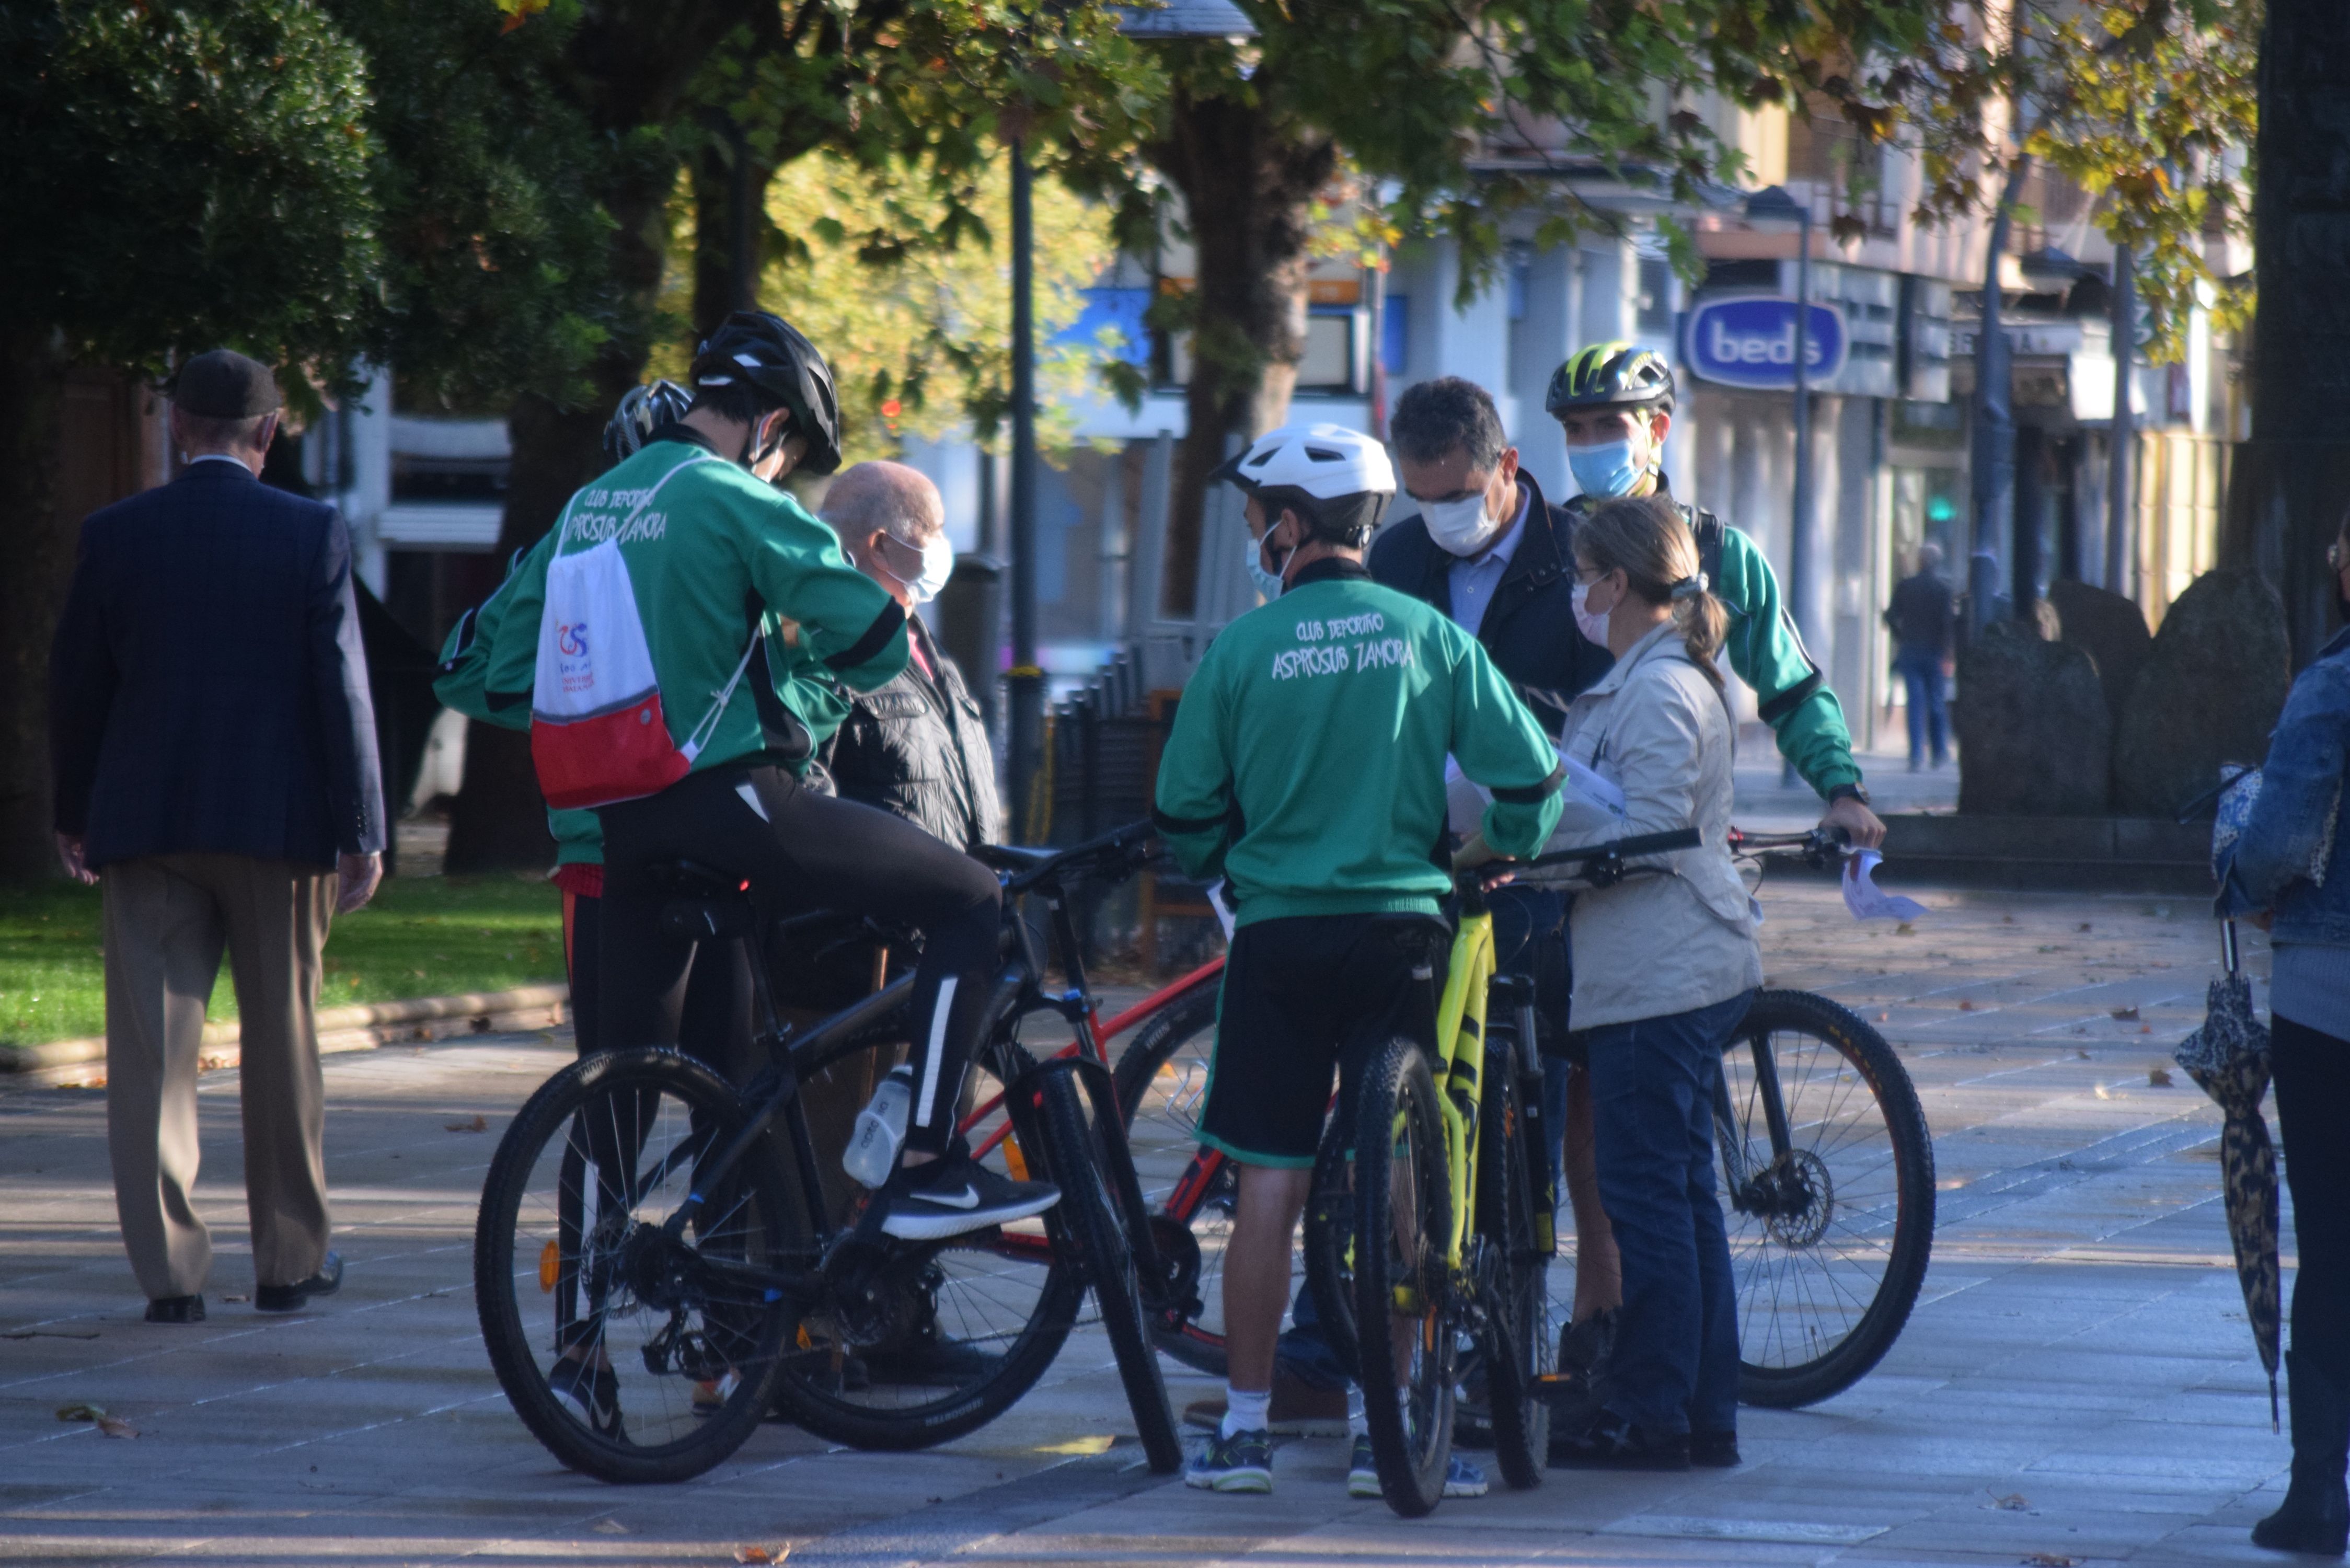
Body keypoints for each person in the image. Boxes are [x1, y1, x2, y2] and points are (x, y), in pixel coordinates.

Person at [476, 312, 1056, 1255]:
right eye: (787, 455)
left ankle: (584, 1337)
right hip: (734, 805)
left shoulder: (591, 505)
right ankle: (926, 1166)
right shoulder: (738, 499)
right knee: (974, 903)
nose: (781, 472)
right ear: (771, 426)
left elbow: (500, 666)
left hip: (621, 826)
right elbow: (871, 647)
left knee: (616, 1097)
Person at [1155, 422, 1566, 1497]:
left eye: (1257, 518)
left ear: (1290, 525)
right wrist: (1486, 854)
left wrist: (1227, 871)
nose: (1255, 535)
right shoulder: (1427, 637)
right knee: (1404, 1176)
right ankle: (1398, 1424)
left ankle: (1245, 1434)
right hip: (1406, 932)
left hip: (1281, 937)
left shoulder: (1240, 651)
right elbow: (1529, 785)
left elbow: (1183, 812)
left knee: (1267, 1193)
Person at [1536, 344, 1885, 1405]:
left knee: (1644, 1146)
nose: (1594, 443)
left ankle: (1643, 1362)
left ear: (1659, 431)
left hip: (1636, 874)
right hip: (1555, 848)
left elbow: (1784, 678)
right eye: (1578, 428)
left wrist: (1840, 784)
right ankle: (1612, 1329)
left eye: (1613, 423)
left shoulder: (1718, 554)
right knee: (1583, 1122)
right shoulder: (1542, 547)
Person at [48, 348, 385, 1324]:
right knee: (284, 1047)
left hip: (146, 822)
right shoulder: (311, 534)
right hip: (278, 827)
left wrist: (75, 811)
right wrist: (361, 827)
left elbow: (76, 689)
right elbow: (343, 691)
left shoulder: (115, 535)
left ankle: (171, 1274)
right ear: (269, 436)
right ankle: (287, 1261)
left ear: (176, 426)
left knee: (153, 1056)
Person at [435, 379, 748, 1074]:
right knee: (732, 1092)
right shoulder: (729, 538)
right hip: (715, 835)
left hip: (603, 846)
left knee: (612, 1091)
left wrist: (576, 721)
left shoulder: (574, 538)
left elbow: (467, 667)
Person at [1540, 493, 1760, 1472]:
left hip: (1657, 972)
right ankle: (1699, 1412)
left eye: (1586, 576)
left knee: (1650, 1202)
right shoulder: (1652, 676)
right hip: (1663, 963)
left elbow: (1657, 830)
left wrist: (1542, 852)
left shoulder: (1660, 687)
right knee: (1681, 1194)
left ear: (1619, 582)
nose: (1578, 595)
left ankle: (1651, 1412)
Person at [2225, 519, 2350, 1558]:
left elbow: (2271, 846)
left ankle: (2317, 1495)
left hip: (2329, 1002)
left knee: (2336, 1240)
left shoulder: (2331, 684)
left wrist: (2239, 874)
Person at [818, 461, 1004, 850]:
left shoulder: (934, 655)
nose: (943, 545)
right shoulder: (826, 653)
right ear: (882, 546)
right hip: (887, 908)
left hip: (968, 903)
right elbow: (807, 803)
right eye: (933, 530)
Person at [1884, 541, 1956, 771]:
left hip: (1911, 650)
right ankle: (1940, 752)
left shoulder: (1906, 587)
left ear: (1920, 561)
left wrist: (1900, 637)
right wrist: (1948, 654)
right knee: (1936, 702)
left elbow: (1890, 617)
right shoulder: (1943, 590)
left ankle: (1916, 754)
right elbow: (1948, 625)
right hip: (1935, 652)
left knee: (1915, 702)